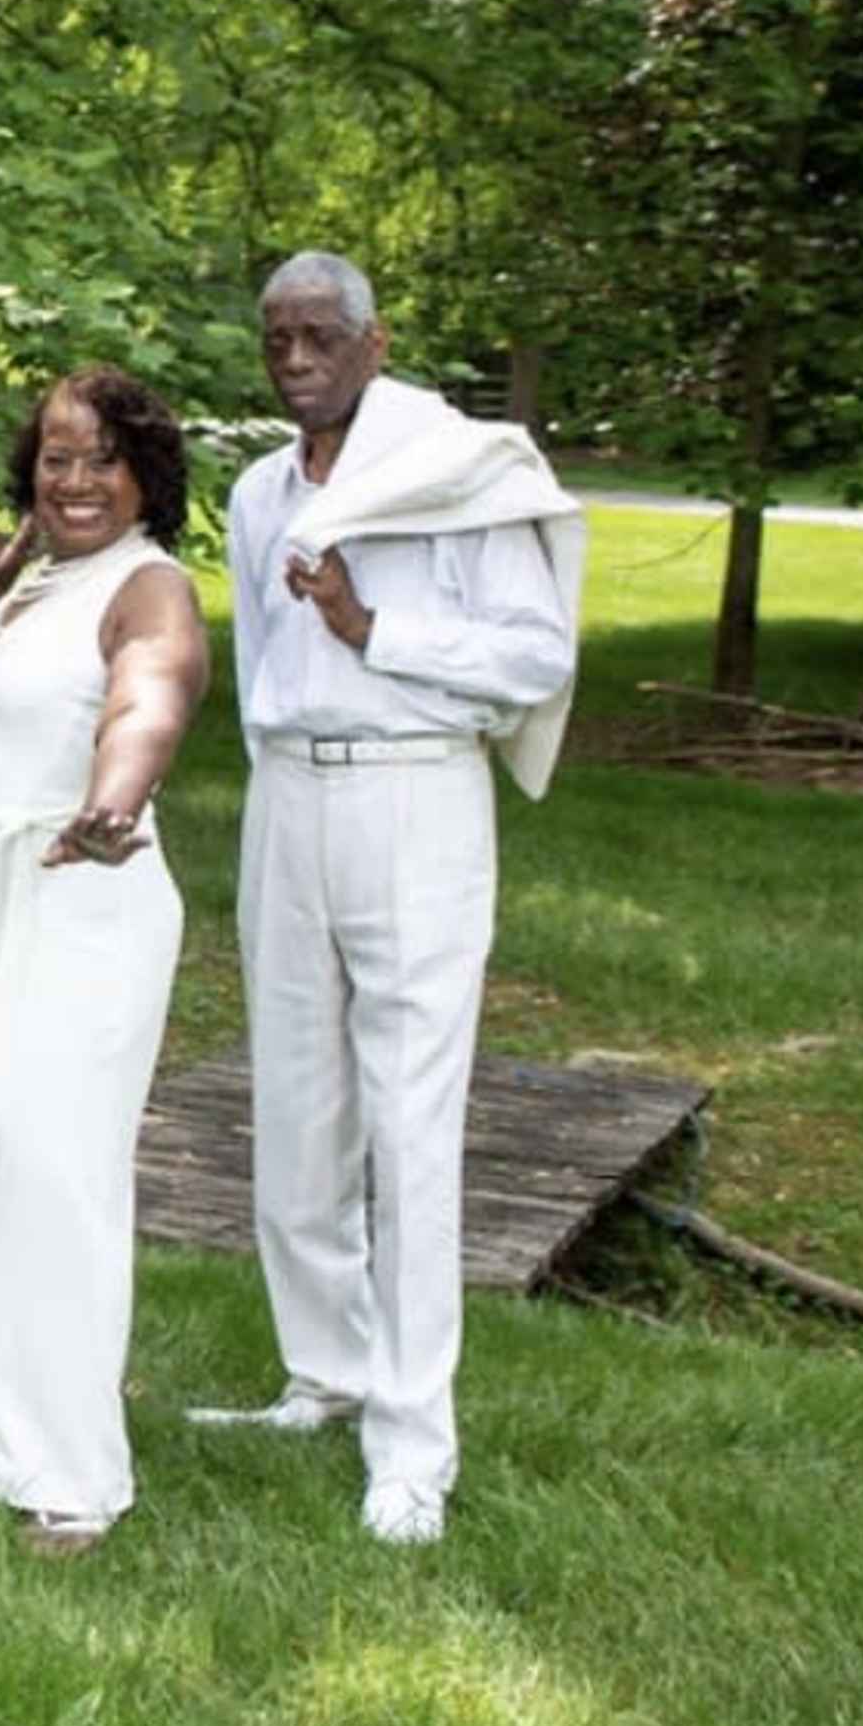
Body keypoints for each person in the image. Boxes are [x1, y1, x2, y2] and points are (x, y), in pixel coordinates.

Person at [191, 250, 582, 1549]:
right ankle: (325, 1371)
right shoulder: (257, 492)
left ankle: (412, 1442)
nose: (296, 358)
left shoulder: (461, 470)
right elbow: (257, 664)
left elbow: (535, 656)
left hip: (417, 800)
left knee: (410, 1127)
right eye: (277, 339)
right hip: (290, 799)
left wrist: (376, 634)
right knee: (297, 1108)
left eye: (319, 336)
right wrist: (282, 773)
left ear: (376, 340)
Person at [0, 369, 211, 1555]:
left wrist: (115, 796)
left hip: (82, 890)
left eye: (101, 458)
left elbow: (152, 691)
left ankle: (71, 1476)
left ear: (146, 472)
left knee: (58, 1168)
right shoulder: (36, 576)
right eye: (55, 456)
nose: (75, 479)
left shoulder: (150, 586)